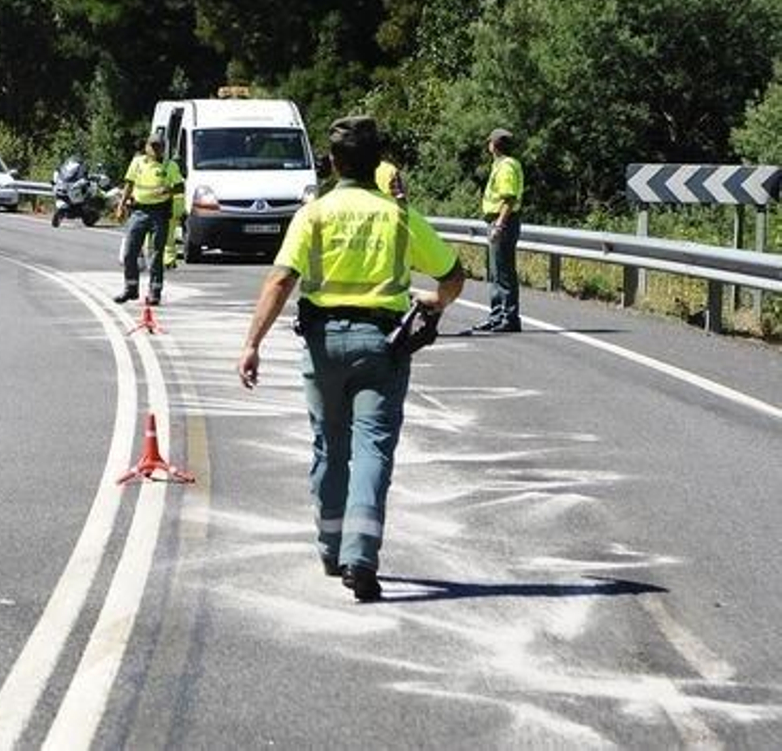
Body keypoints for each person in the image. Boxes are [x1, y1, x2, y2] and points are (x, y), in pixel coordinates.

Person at [236, 116, 464, 602]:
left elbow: (280, 281)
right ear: (378, 162)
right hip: (381, 347)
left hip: (322, 345)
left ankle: (330, 545)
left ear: (334, 162)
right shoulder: (399, 217)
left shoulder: (314, 214)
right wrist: (433, 302)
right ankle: (361, 558)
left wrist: (252, 343)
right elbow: (453, 274)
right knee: (373, 451)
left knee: (328, 446)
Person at [114, 128, 184, 305]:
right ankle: (131, 288)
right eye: (152, 146)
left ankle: (155, 292)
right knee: (130, 252)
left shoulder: (170, 166)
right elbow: (129, 184)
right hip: (138, 212)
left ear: (163, 148)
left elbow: (180, 187)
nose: (155, 149)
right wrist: (121, 206)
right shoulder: (138, 163)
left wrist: (167, 189)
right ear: (146, 147)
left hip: (159, 213)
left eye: (159, 146)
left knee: (156, 255)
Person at [473, 127, 524, 333]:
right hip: (499, 220)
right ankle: (497, 315)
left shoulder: (506, 167)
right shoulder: (502, 164)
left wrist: (500, 225)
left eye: (490, 142)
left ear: (494, 145)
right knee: (495, 272)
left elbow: (509, 198)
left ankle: (508, 317)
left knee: (503, 272)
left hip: (503, 221)